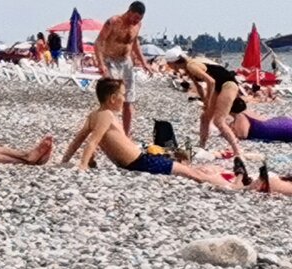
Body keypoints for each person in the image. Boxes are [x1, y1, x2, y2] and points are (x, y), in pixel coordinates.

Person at [59, 78, 234, 189]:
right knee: (192, 174)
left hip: (139, 160)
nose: (124, 98)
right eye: (122, 94)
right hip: (141, 162)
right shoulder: (106, 115)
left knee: (190, 168)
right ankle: (234, 187)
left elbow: (78, 140)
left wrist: (65, 161)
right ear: (113, 98)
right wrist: (82, 166)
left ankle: (223, 177)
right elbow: (92, 141)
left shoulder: (94, 115)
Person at [163, 47, 244, 157]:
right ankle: (202, 146)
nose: (169, 67)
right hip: (218, 86)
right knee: (205, 117)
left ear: (173, 63)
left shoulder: (192, 65)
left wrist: (208, 100)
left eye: (169, 64)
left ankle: (237, 151)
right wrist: (205, 102)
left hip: (228, 85)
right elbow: (199, 87)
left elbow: (211, 81)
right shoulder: (188, 67)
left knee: (218, 121)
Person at [93, 1, 152, 137]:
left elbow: (135, 43)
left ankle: (126, 134)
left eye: (139, 19)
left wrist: (144, 62)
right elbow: (99, 42)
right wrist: (101, 64)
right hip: (110, 60)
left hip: (126, 61)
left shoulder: (137, 25)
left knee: (128, 98)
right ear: (129, 12)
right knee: (111, 96)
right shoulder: (113, 22)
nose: (136, 21)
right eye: (135, 18)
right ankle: (105, 130)